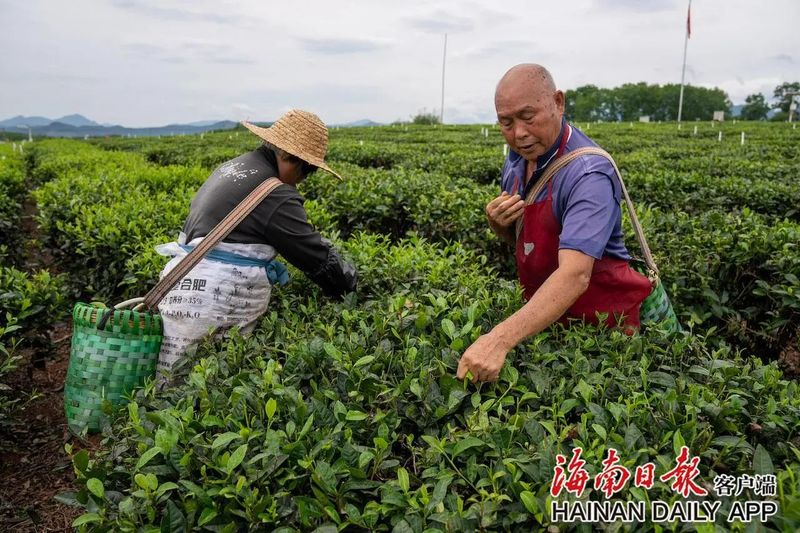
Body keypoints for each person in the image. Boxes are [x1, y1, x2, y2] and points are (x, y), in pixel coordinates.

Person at [456, 64, 652, 383]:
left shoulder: (588, 174)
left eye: (528, 116)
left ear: (558, 103)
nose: (518, 133)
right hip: (546, 325)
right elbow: (532, 244)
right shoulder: (516, 159)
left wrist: (498, 339)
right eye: (506, 122)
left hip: (601, 336)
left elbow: (575, 275)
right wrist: (499, 225)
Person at [155, 109, 357, 375]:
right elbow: (314, 256)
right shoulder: (275, 193)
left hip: (181, 284)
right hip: (214, 297)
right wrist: (351, 286)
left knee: (172, 382)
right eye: (306, 171)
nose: (303, 180)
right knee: (210, 386)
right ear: (289, 157)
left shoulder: (233, 166)